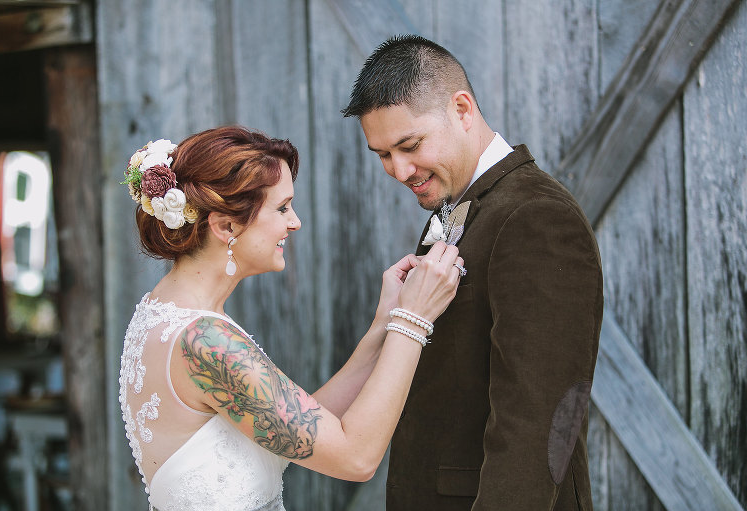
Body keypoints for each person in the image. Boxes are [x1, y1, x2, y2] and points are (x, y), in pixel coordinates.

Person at [117, 125, 464, 511]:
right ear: (226, 226)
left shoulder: (162, 312)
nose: (295, 222)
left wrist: (383, 326)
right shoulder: (205, 342)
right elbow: (356, 457)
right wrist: (413, 319)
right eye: (282, 208)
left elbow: (291, 425)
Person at [342, 35, 604, 510]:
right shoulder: (457, 208)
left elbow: (537, 421)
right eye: (383, 155)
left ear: (462, 109)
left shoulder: (536, 217)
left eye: (409, 145)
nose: (399, 171)